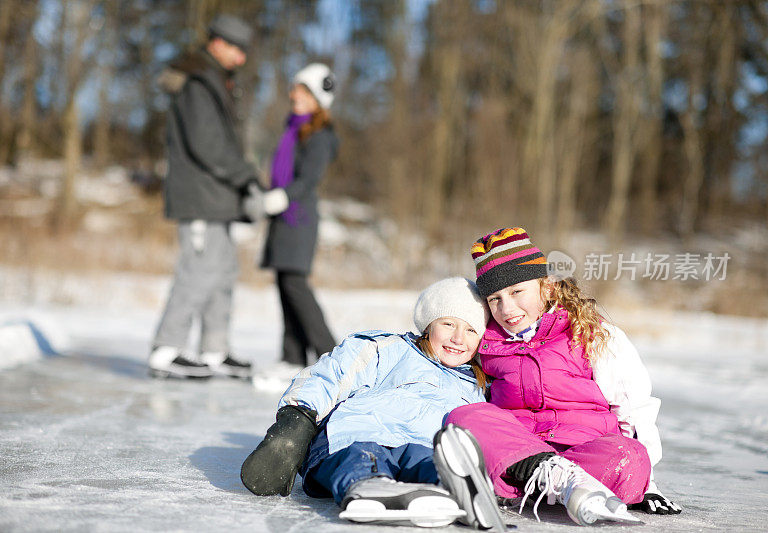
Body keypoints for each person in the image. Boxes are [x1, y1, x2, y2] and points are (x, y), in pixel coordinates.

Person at [441, 227, 682, 526]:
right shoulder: (487, 343)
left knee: (629, 454)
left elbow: (633, 405)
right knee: (464, 417)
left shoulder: (591, 332)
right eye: (494, 299)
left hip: (586, 452)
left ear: (547, 286)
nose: (507, 308)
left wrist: (648, 484)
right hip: (521, 455)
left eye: (517, 292)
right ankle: (543, 476)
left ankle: (557, 481)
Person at [240, 277, 506, 529]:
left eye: (471, 330)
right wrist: (298, 419)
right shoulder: (390, 349)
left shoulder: (479, 385)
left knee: (435, 459)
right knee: (363, 452)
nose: (458, 338)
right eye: (449, 324)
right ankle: (367, 485)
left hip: (421, 443)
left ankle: (448, 491)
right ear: (428, 325)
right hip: (358, 433)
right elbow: (331, 375)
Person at [149, 14, 257, 379]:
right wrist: (247, 178)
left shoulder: (218, 82)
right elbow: (207, 144)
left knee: (223, 272)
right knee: (197, 272)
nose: (242, 59)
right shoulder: (199, 84)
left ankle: (214, 350)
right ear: (218, 43)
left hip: (218, 196)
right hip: (199, 195)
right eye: (237, 50)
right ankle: (166, 349)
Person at [244, 63, 339, 391]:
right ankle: (293, 356)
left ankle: (331, 354)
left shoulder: (321, 135)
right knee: (285, 284)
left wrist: (281, 197)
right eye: (295, 88)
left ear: (316, 98)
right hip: (284, 218)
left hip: (298, 217)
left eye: (301, 89)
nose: (293, 94)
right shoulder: (292, 129)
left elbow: (308, 179)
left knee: (296, 285)